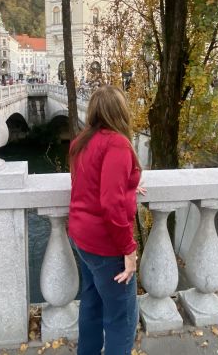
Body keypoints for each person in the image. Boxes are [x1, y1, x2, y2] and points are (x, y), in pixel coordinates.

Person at [68, 85, 144, 355]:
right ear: (120, 112)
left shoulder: (81, 142)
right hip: (105, 245)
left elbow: (89, 184)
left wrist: (130, 186)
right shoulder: (117, 144)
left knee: (92, 305)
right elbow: (111, 204)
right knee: (122, 320)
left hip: (82, 238)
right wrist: (128, 249)